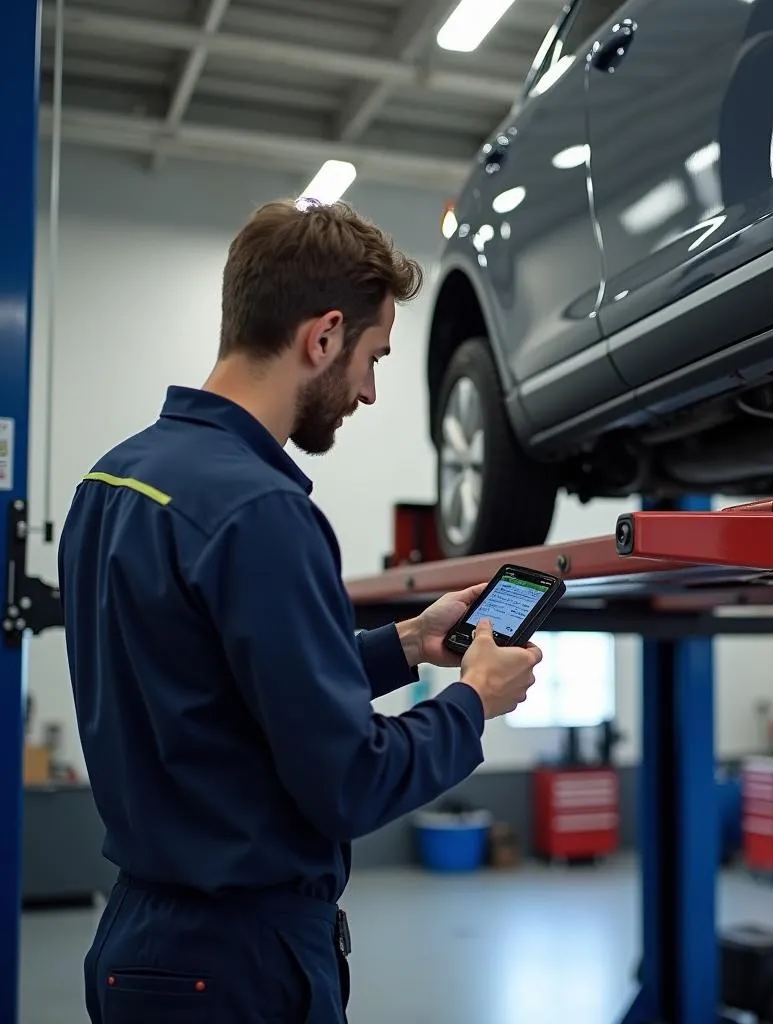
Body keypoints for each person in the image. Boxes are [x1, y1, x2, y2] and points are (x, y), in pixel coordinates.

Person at [58, 198, 543, 1024]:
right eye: (371, 357)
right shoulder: (263, 511)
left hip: (139, 942)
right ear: (321, 337)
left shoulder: (111, 482)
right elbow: (347, 781)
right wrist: (472, 703)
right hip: (239, 962)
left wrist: (404, 644)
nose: (372, 391)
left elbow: (213, 686)